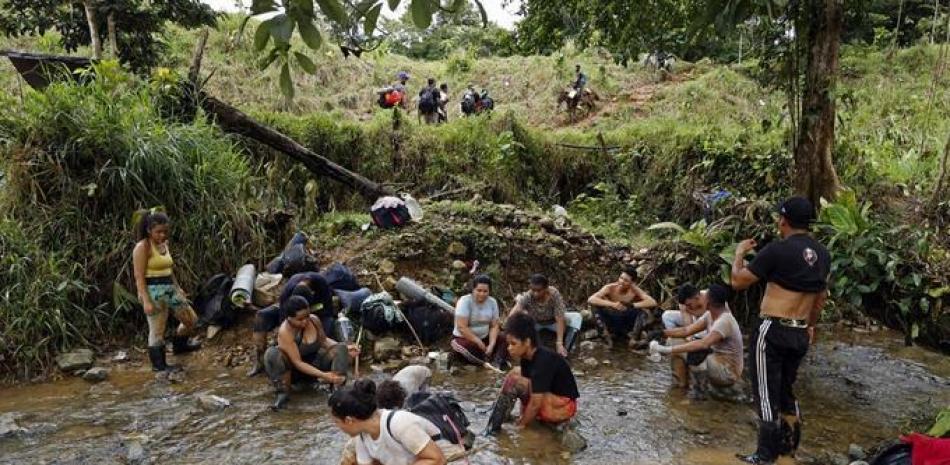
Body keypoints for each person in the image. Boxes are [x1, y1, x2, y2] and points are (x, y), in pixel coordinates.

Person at [730, 197, 831, 465]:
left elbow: (738, 282)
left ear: (783, 221)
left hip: (772, 328)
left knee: (765, 392)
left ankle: (765, 457)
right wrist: (810, 325)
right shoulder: (823, 254)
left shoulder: (777, 250)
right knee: (786, 390)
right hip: (799, 332)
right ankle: (789, 450)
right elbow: (820, 297)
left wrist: (739, 253)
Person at [484, 312, 579, 435]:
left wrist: (521, 426)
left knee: (515, 381)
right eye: (508, 344)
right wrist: (524, 415)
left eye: (513, 344)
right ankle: (498, 421)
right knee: (515, 373)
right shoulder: (527, 357)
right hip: (550, 398)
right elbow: (528, 388)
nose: (509, 348)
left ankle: (494, 428)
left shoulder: (543, 360)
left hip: (563, 407)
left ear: (527, 342)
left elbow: (535, 403)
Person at [132, 210, 200, 372]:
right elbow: (138, 276)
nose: (162, 235)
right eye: (158, 232)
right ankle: (159, 365)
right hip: (153, 291)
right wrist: (146, 300)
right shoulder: (142, 247)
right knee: (157, 330)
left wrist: (177, 287)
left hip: (169, 288)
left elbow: (169, 269)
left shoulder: (164, 245)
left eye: (165, 231)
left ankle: (180, 345)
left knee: (191, 319)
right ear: (149, 230)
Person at [649, 284, 743, 398]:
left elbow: (703, 344)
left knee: (697, 352)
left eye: (705, 296)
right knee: (674, 340)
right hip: (715, 361)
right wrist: (661, 333)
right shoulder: (710, 314)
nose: (701, 298)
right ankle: (680, 384)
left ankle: (700, 393)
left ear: (711, 301)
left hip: (727, 372)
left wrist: (664, 349)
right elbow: (687, 330)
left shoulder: (724, 320)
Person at [264, 296, 358, 410]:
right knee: (272, 353)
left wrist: (347, 348)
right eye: (300, 319)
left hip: (315, 363)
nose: (305, 321)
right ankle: (283, 394)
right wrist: (324, 376)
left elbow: (324, 341)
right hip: (295, 373)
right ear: (289, 318)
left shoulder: (314, 320)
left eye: (307, 316)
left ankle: (337, 390)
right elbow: (298, 363)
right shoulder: (285, 332)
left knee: (341, 348)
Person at [329, 380, 454, 465]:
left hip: (449, 459)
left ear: (349, 420)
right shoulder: (362, 436)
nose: (337, 427)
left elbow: (437, 459)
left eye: (336, 422)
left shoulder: (400, 423)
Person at [511, 274, 582, 357]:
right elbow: (513, 314)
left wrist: (559, 343)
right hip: (535, 323)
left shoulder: (554, 294)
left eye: (539, 290)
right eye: (533, 290)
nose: (535, 293)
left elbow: (559, 318)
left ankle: (567, 348)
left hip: (553, 322)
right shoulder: (528, 295)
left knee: (577, 317)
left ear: (546, 288)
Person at [587, 265, 657, 348]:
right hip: (611, 319)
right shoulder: (610, 287)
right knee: (595, 307)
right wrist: (612, 304)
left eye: (626, 280)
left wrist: (632, 305)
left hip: (625, 321)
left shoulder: (634, 290)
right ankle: (605, 336)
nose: (621, 282)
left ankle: (634, 339)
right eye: (621, 278)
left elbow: (652, 302)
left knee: (643, 311)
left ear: (632, 283)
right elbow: (591, 299)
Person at [450, 275, 509, 369]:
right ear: (473, 290)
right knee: (467, 347)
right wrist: (477, 341)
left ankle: (497, 361)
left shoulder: (492, 302)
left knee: (505, 338)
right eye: (479, 290)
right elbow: (462, 327)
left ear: (489, 291)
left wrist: (491, 345)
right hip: (464, 338)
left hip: (485, 337)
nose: (482, 294)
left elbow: (494, 326)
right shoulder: (465, 301)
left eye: (485, 291)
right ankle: (484, 362)